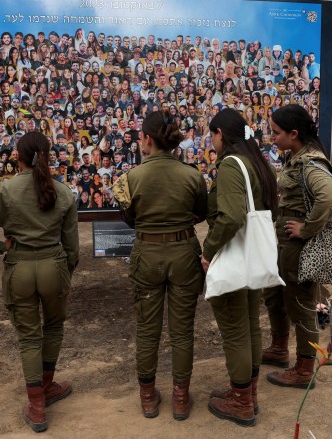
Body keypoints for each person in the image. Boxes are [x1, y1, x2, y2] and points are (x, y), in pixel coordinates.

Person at [0, 131, 79, 433]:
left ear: (19, 156)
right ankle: (48, 386)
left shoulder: (2, 191)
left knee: (29, 337)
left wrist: (1, 248)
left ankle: (37, 406)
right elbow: (73, 249)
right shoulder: (64, 193)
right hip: (54, 266)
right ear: (48, 156)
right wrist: (65, 275)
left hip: (20, 268)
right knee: (53, 327)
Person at [113, 110, 208, 421]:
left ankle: (148, 396)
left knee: (147, 329)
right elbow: (201, 213)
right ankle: (181, 398)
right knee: (182, 332)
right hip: (183, 254)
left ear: (148, 140)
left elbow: (129, 218)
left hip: (148, 255)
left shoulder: (130, 178)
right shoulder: (193, 175)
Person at [200, 108, 277, 427]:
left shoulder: (231, 165)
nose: (210, 140)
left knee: (235, 329)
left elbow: (231, 216)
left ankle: (242, 400)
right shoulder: (256, 164)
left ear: (220, 134)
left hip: (234, 254)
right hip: (252, 256)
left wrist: (208, 251)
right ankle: (248, 391)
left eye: (211, 134)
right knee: (248, 324)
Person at [261, 105, 332, 391]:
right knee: (277, 294)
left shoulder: (310, 163)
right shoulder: (296, 157)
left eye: (276, 132)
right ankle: (280, 348)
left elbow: (328, 197)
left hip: (299, 245)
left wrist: (306, 228)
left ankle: (305, 368)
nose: (272, 137)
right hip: (286, 242)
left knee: (300, 303)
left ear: (294, 134)